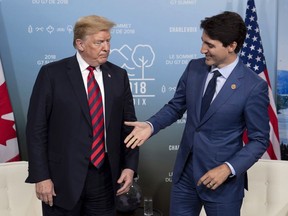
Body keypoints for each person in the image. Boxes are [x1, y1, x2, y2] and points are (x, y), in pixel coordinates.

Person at [124, 11, 269, 216]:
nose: (202, 50)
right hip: (185, 177)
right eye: (203, 42)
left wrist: (228, 168)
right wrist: (151, 125)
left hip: (222, 183)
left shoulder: (254, 87)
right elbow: (175, 107)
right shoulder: (194, 68)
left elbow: (259, 139)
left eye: (210, 45)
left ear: (231, 46)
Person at [25, 15, 139, 216]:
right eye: (99, 42)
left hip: (104, 177)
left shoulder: (119, 76)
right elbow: (36, 129)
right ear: (80, 44)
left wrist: (130, 167)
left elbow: (128, 127)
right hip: (62, 180)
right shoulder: (52, 74)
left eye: (108, 41)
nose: (106, 47)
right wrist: (41, 177)